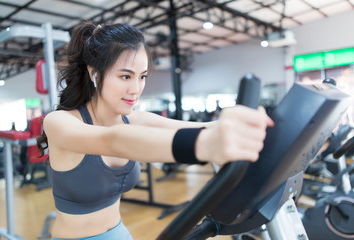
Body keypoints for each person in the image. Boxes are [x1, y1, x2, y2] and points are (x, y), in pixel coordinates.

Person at [37, 21, 274, 240]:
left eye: (142, 77)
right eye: (125, 76)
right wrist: (205, 145)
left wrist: (253, 120)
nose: (136, 89)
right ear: (94, 74)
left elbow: (197, 127)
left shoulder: (133, 119)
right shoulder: (58, 122)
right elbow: (112, 140)